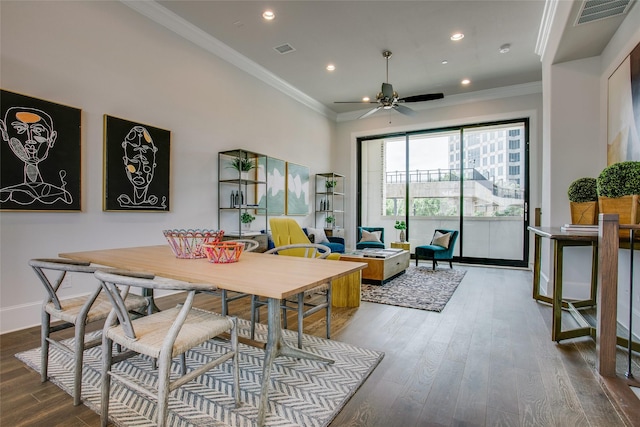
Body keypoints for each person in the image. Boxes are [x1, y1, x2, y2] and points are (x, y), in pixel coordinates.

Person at [0, 106, 73, 206]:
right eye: (19, 129)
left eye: (38, 130)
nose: (29, 140)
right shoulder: (6, 195)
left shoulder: (60, 194)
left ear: (51, 139)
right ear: (5, 134)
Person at [116, 125, 166, 209]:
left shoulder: (161, 202)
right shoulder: (122, 199)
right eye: (134, 162)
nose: (139, 171)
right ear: (125, 162)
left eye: (145, 163)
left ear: (154, 165)